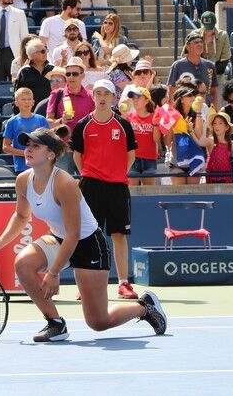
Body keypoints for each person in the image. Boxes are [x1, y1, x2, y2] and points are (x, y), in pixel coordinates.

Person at [0, 127, 166, 342]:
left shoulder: (64, 183)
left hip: (88, 243)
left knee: (99, 322)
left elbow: (74, 234)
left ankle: (144, 307)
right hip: (59, 238)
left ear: (51, 155)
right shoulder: (23, 180)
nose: (28, 150)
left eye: (35, 146)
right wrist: (0, 242)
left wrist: (52, 273)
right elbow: (21, 216)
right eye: (27, 145)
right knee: (23, 264)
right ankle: (55, 323)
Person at [71, 79, 139, 300]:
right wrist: (90, 175)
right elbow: (77, 156)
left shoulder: (123, 125)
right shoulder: (83, 125)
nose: (101, 97)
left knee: (119, 234)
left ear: (113, 97)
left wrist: (117, 173)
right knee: (90, 236)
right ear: (93, 96)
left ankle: (123, 283)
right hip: (91, 186)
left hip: (117, 187)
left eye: (106, 94)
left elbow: (131, 156)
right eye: (98, 93)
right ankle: (87, 285)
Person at [2, 87, 50, 173]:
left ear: (33, 102)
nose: (27, 102)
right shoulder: (11, 122)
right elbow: (5, 147)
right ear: (16, 103)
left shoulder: (41, 119)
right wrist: (25, 153)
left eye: (29, 99)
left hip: (41, 165)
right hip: (22, 167)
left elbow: (49, 142)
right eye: (23, 99)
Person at [167, 34, 218, 104]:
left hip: (205, 109)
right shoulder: (177, 65)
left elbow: (213, 92)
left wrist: (214, 109)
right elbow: (171, 91)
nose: (200, 44)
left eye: (201, 42)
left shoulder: (210, 65)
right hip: (184, 109)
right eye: (196, 42)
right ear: (188, 47)